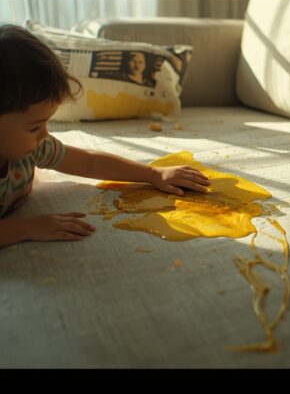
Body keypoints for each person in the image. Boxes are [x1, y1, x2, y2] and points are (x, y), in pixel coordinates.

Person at [0, 25, 211, 248]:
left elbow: (88, 163)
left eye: (46, 123)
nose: (45, 134)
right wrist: (28, 228)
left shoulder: (35, 147)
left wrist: (153, 174)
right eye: (34, 127)